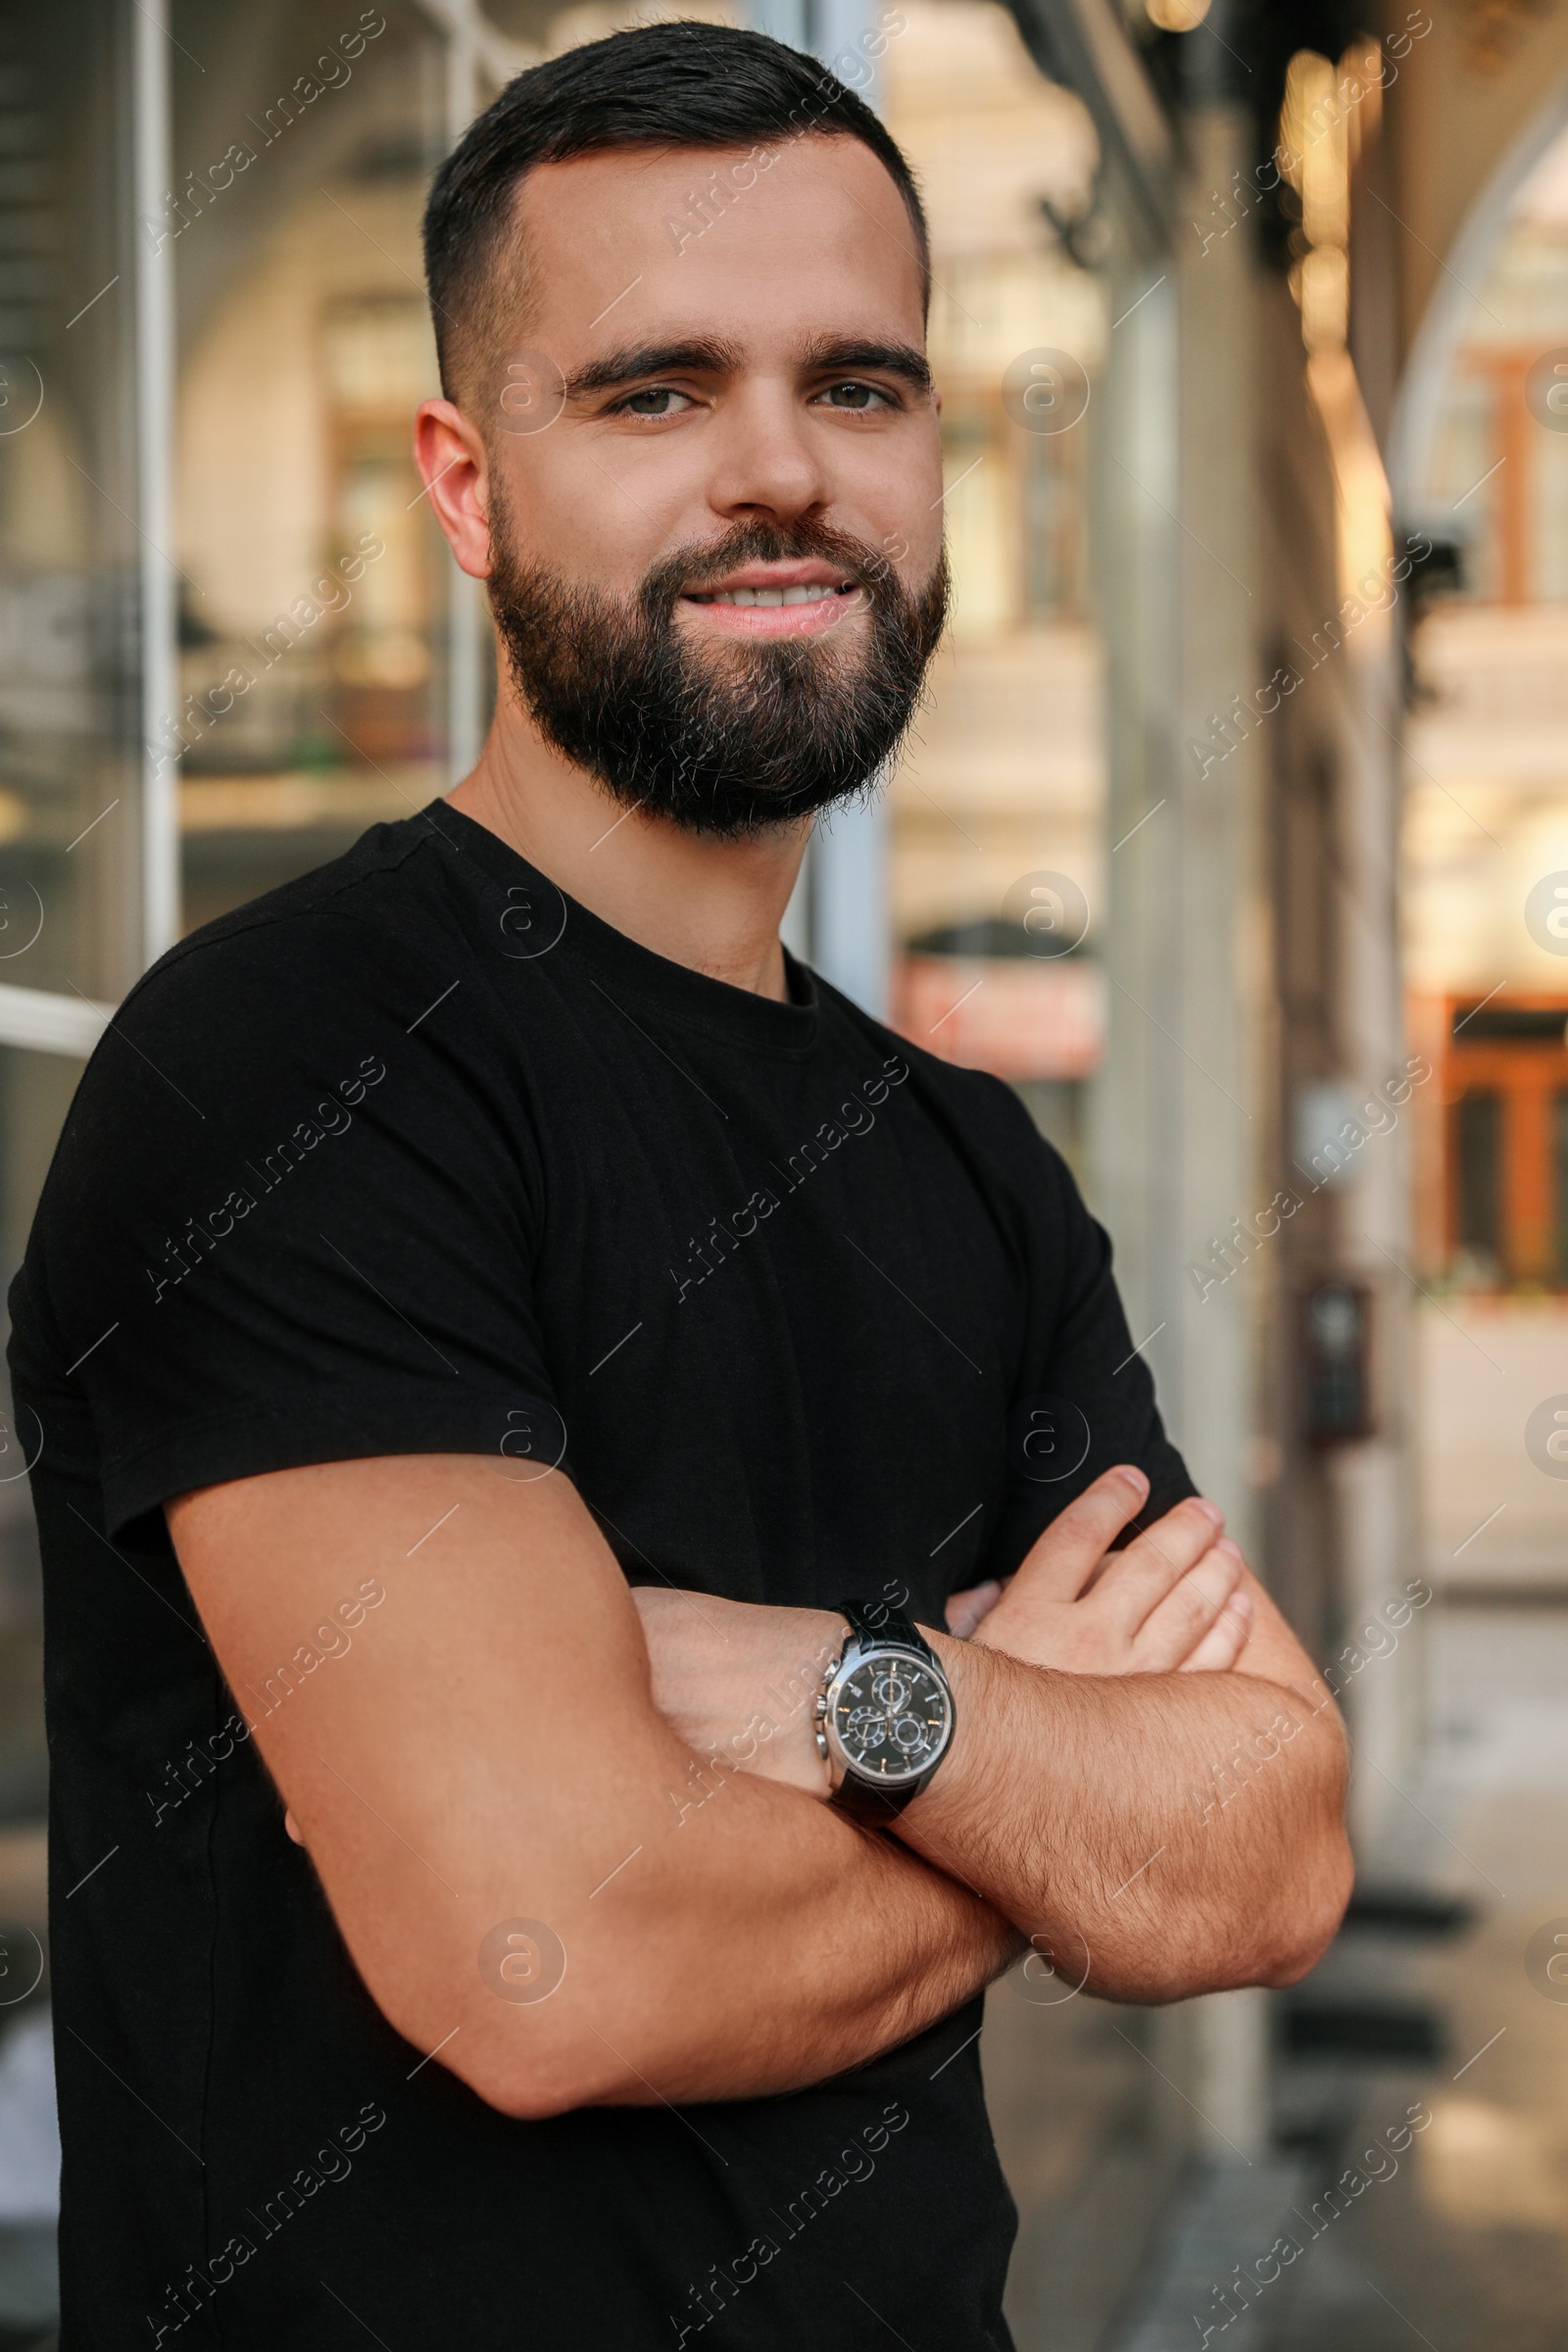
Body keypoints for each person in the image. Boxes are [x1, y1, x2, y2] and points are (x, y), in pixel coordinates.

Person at [10, 25, 1350, 2348]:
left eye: (859, 385)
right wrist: (1032, 1795)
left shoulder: (966, 1165)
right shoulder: (295, 1066)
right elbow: (559, 1967)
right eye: (650, 395)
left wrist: (856, 1703)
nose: (779, 475)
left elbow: (1261, 1853)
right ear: (460, 481)